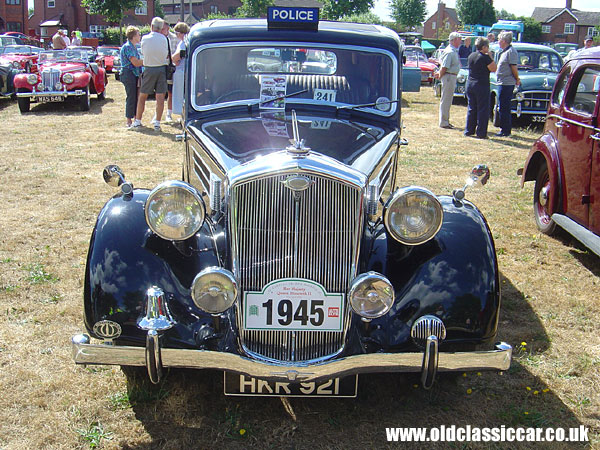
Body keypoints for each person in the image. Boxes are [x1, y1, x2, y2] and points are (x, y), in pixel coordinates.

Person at [133, 17, 169, 131]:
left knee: (142, 96)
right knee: (160, 97)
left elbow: (143, 52)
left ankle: (138, 121)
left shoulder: (145, 38)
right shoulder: (164, 39)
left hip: (149, 68)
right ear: (161, 28)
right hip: (161, 69)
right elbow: (166, 54)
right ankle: (157, 123)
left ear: (152, 26)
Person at [464, 37, 497, 139]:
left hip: (470, 83)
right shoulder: (485, 57)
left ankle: (469, 130)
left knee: (472, 108)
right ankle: (481, 132)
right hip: (481, 85)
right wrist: (491, 57)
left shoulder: (471, 55)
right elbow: (494, 68)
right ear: (484, 47)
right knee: (483, 109)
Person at [495, 31, 520, 137]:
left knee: (504, 107)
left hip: (507, 83)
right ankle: (503, 128)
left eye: (499, 39)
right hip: (502, 82)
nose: (498, 42)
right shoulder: (504, 52)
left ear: (504, 41)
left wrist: (517, 78)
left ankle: (505, 130)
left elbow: (513, 67)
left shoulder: (511, 52)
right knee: (502, 106)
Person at [434, 32, 462, 129]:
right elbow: (445, 66)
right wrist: (440, 75)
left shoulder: (453, 51)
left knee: (448, 99)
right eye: (459, 39)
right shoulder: (450, 52)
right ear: (454, 40)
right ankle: (444, 122)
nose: (461, 41)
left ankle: (446, 120)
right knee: (446, 99)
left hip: (450, 76)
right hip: (449, 76)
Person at [120, 26, 143, 128]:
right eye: (138, 34)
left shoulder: (133, 47)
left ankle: (135, 118)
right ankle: (129, 120)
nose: (140, 36)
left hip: (134, 75)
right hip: (128, 74)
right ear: (133, 36)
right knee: (131, 96)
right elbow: (135, 62)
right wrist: (149, 60)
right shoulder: (128, 47)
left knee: (135, 96)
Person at [171, 22, 190, 121]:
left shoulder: (183, 44)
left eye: (177, 33)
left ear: (182, 33)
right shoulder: (183, 43)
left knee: (180, 93)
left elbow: (176, 57)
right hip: (182, 70)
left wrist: (173, 59)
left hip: (181, 71)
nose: (176, 35)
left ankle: (182, 114)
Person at [160, 21, 178, 123]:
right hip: (161, 67)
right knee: (160, 92)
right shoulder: (158, 39)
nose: (162, 31)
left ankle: (169, 113)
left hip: (171, 69)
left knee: (170, 92)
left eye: (164, 29)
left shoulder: (174, 38)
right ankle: (159, 114)